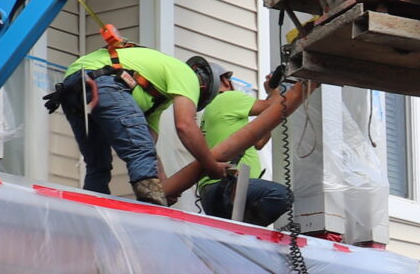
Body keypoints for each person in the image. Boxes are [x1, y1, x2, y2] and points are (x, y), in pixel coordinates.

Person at [45, 36, 213, 205]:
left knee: (98, 165)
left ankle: (91, 211)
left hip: (73, 89)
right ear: (202, 88)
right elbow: (185, 125)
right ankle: (151, 206)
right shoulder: (187, 75)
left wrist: (162, 184)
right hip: (103, 80)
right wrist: (211, 165)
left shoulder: (155, 99)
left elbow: (149, 147)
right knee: (139, 152)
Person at [158, 57, 318, 226]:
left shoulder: (215, 111)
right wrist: (273, 91)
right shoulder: (228, 98)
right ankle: (251, 231)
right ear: (225, 81)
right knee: (280, 195)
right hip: (229, 187)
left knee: (234, 237)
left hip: (213, 193)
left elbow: (259, 142)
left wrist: (271, 105)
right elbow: (275, 106)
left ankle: (242, 235)